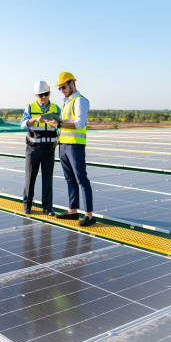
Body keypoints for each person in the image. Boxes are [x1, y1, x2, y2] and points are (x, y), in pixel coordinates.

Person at [47, 71, 96, 226]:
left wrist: (59, 124)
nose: (62, 90)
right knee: (70, 180)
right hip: (63, 145)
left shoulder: (80, 101)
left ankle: (89, 215)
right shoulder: (67, 102)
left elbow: (80, 123)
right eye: (59, 88)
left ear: (72, 83)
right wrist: (58, 136)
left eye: (63, 87)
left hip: (75, 146)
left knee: (81, 179)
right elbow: (65, 124)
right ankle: (72, 211)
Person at [20, 80, 60, 216]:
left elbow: (61, 125)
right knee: (30, 177)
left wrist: (58, 139)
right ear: (36, 95)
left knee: (48, 178)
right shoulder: (30, 108)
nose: (44, 97)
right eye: (40, 95)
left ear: (50, 94)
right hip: (33, 148)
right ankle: (27, 205)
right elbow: (23, 124)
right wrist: (35, 119)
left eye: (46, 94)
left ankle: (48, 207)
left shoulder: (56, 108)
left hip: (49, 149)